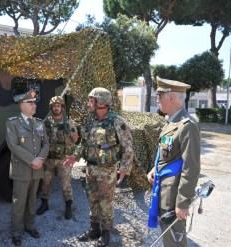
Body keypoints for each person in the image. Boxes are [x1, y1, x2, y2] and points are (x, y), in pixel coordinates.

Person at [64, 87, 134, 247]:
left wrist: (124, 169)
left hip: (107, 171)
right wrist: (74, 156)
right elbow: (83, 144)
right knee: (92, 201)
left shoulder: (117, 121)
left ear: (101, 103)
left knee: (105, 203)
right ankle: (94, 230)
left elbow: (127, 147)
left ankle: (106, 233)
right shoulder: (90, 120)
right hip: (90, 169)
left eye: (91, 100)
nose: (89, 103)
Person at [147, 77, 200, 247]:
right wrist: (154, 169)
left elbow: (191, 167)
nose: (157, 98)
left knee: (174, 240)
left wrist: (183, 203)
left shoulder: (187, 125)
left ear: (171, 98)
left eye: (160, 95)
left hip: (174, 196)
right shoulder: (171, 123)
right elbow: (166, 154)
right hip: (164, 191)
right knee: (168, 238)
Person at [5, 89, 49, 246]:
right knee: (19, 203)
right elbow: (13, 145)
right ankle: (16, 231)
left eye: (34, 102)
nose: (34, 105)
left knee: (31, 201)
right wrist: (33, 160)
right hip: (22, 170)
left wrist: (41, 159)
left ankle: (30, 226)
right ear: (21, 105)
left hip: (36, 171)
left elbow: (46, 144)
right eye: (30, 102)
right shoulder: (12, 123)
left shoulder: (39, 123)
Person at [36, 96, 79, 219]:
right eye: (54, 106)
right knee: (45, 182)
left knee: (66, 184)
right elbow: (40, 138)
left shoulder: (68, 123)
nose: (56, 108)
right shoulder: (46, 122)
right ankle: (44, 204)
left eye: (58, 106)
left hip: (63, 160)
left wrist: (71, 153)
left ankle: (68, 206)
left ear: (62, 108)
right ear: (51, 108)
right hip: (48, 159)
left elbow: (76, 139)